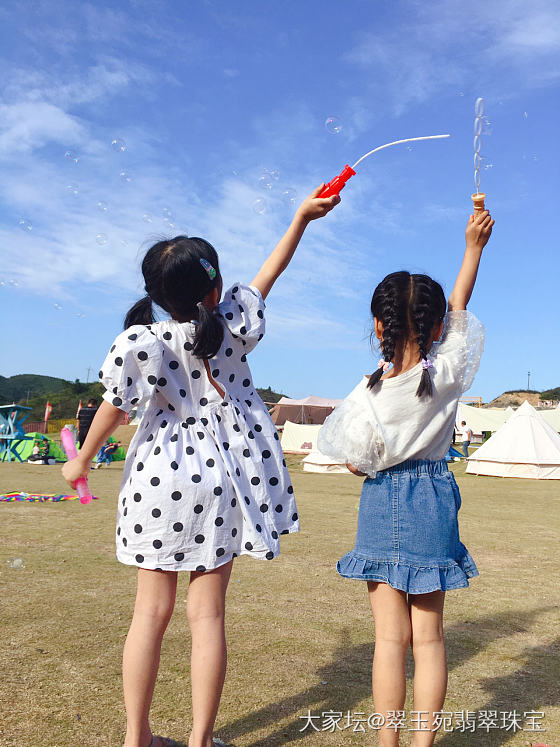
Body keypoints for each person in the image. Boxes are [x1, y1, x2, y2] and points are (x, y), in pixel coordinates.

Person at [62, 185, 339, 747]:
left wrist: (81, 463)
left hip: (160, 481)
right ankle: (199, 739)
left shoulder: (144, 341)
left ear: (158, 295)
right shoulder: (232, 321)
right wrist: (300, 220)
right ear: (216, 288)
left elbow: (114, 409)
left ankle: (136, 738)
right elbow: (269, 274)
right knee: (207, 617)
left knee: (150, 615)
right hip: (226, 481)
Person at [318, 209, 494, 747]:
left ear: (378, 324)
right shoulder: (446, 373)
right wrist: (473, 248)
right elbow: (461, 308)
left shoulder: (366, 392)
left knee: (388, 642)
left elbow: (352, 460)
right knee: (431, 640)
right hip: (433, 499)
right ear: (439, 327)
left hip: (379, 503)